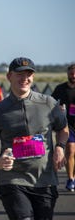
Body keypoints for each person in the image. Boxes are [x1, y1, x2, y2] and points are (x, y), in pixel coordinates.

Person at [0, 57, 69, 220]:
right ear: (9, 76)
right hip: (13, 180)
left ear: (33, 77)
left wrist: (60, 147)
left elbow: (63, 129)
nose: (25, 79)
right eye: (20, 74)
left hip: (45, 180)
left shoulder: (48, 103)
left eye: (29, 74)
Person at [51, 63, 75, 191]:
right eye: (71, 73)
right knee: (70, 150)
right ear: (68, 74)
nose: (74, 76)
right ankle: (70, 179)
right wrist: (57, 108)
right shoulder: (60, 88)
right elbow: (51, 103)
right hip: (66, 125)